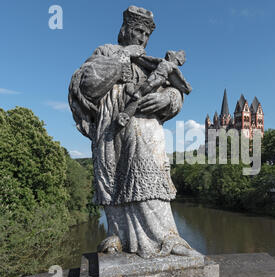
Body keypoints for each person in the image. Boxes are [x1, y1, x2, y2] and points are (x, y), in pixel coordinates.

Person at [68, 6, 200, 259]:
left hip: (144, 123)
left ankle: (168, 236)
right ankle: (118, 234)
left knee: (149, 170)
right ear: (125, 29)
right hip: (110, 125)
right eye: (138, 31)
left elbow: (174, 90)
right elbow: (90, 86)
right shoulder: (106, 52)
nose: (142, 38)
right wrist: (123, 57)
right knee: (112, 176)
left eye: (146, 34)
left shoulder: (150, 63)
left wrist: (168, 100)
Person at [117, 50, 192, 127]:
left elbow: (183, 85)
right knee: (145, 89)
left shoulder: (173, 69)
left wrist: (168, 98)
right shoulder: (161, 62)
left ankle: (127, 112)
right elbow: (147, 60)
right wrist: (133, 56)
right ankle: (127, 112)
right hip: (153, 78)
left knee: (144, 91)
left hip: (158, 82)